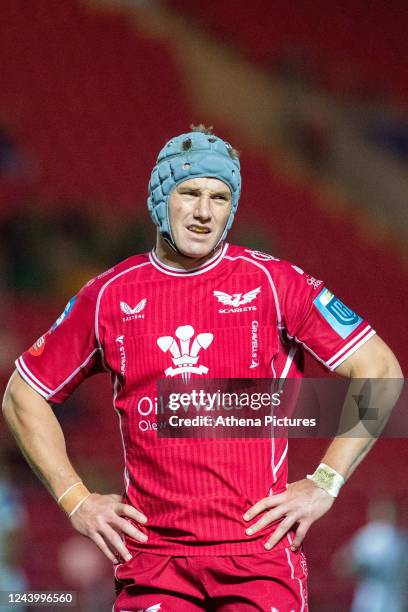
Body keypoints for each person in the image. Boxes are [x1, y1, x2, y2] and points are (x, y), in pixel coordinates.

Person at [2, 125, 403, 611]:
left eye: (220, 196)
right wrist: (76, 499)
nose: (204, 212)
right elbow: (23, 393)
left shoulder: (276, 283)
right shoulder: (109, 295)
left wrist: (324, 483)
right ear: (160, 197)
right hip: (154, 564)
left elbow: (380, 367)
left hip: (259, 561)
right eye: (189, 192)